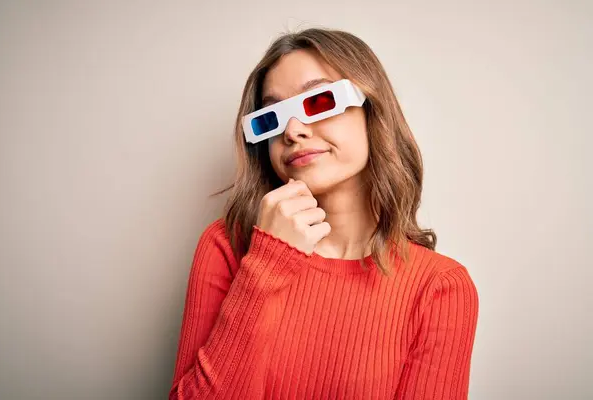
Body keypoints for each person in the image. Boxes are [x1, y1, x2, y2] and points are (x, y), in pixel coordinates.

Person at [169, 28, 479, 400]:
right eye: (272, 117)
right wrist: (266, 266)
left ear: (372, 111)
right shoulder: (227, 247)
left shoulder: (440, 287)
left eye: (318, 101)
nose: (293, 130)